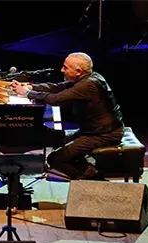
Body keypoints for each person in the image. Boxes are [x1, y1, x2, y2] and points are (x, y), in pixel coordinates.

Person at [10, 52, 124, 181]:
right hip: (92, 131)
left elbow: (56, 99)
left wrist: (28, 93)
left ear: (78, 71)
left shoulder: (87, 85)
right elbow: (57, 87)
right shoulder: (88, 77)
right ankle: (84, 169)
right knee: (57, 138)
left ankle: (93, 180)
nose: (62, 70)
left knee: (55, 158)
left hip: (102, 134)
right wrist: (31, 87)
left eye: (65, 67)